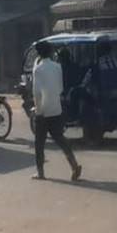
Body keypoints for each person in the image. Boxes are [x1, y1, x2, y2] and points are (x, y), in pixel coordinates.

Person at [30, 40, 81, 182]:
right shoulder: (57, 67)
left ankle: (40, 173)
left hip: (43, 111)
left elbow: (36, 93)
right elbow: (60, 89)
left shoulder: (38, 69)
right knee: (61, 139)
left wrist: (37, 111)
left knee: (39, 143)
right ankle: (74, 165)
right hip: (56, 108)